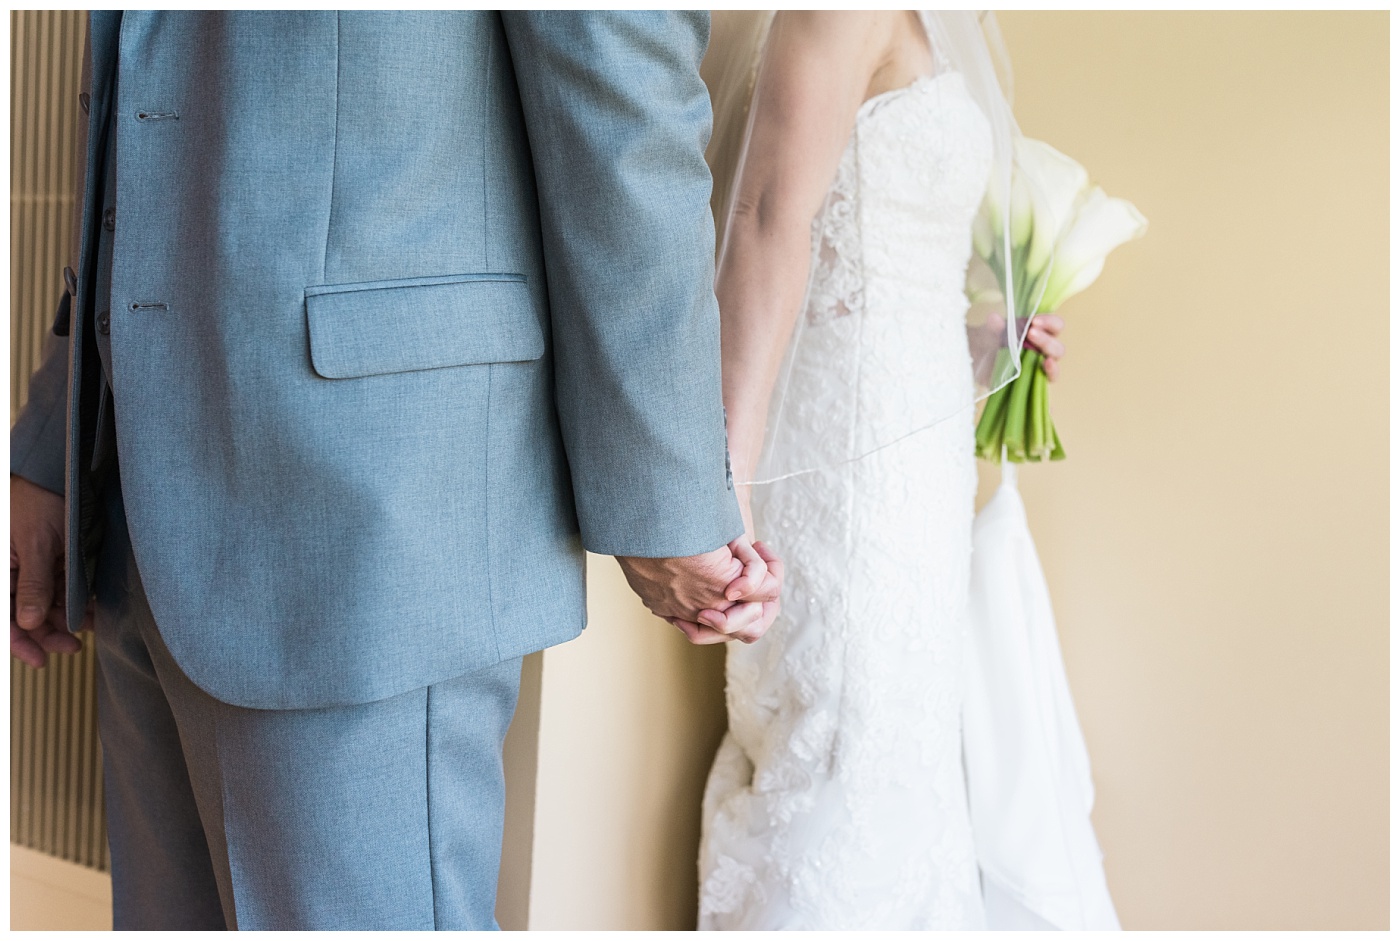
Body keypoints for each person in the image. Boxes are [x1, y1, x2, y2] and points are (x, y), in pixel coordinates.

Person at [9, 11, 782, 930]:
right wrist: (54, 442)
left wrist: (667, 505)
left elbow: (625, 110)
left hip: (363, 525)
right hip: (136, 493)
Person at [696, 11, 1067, 928]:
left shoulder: (945, 20)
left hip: (920, 455)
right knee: (843, 747)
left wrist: (984, 346)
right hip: (845, 470)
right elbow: (767, 217)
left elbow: (882, 265)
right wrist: (721, 488)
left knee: (906, 747)